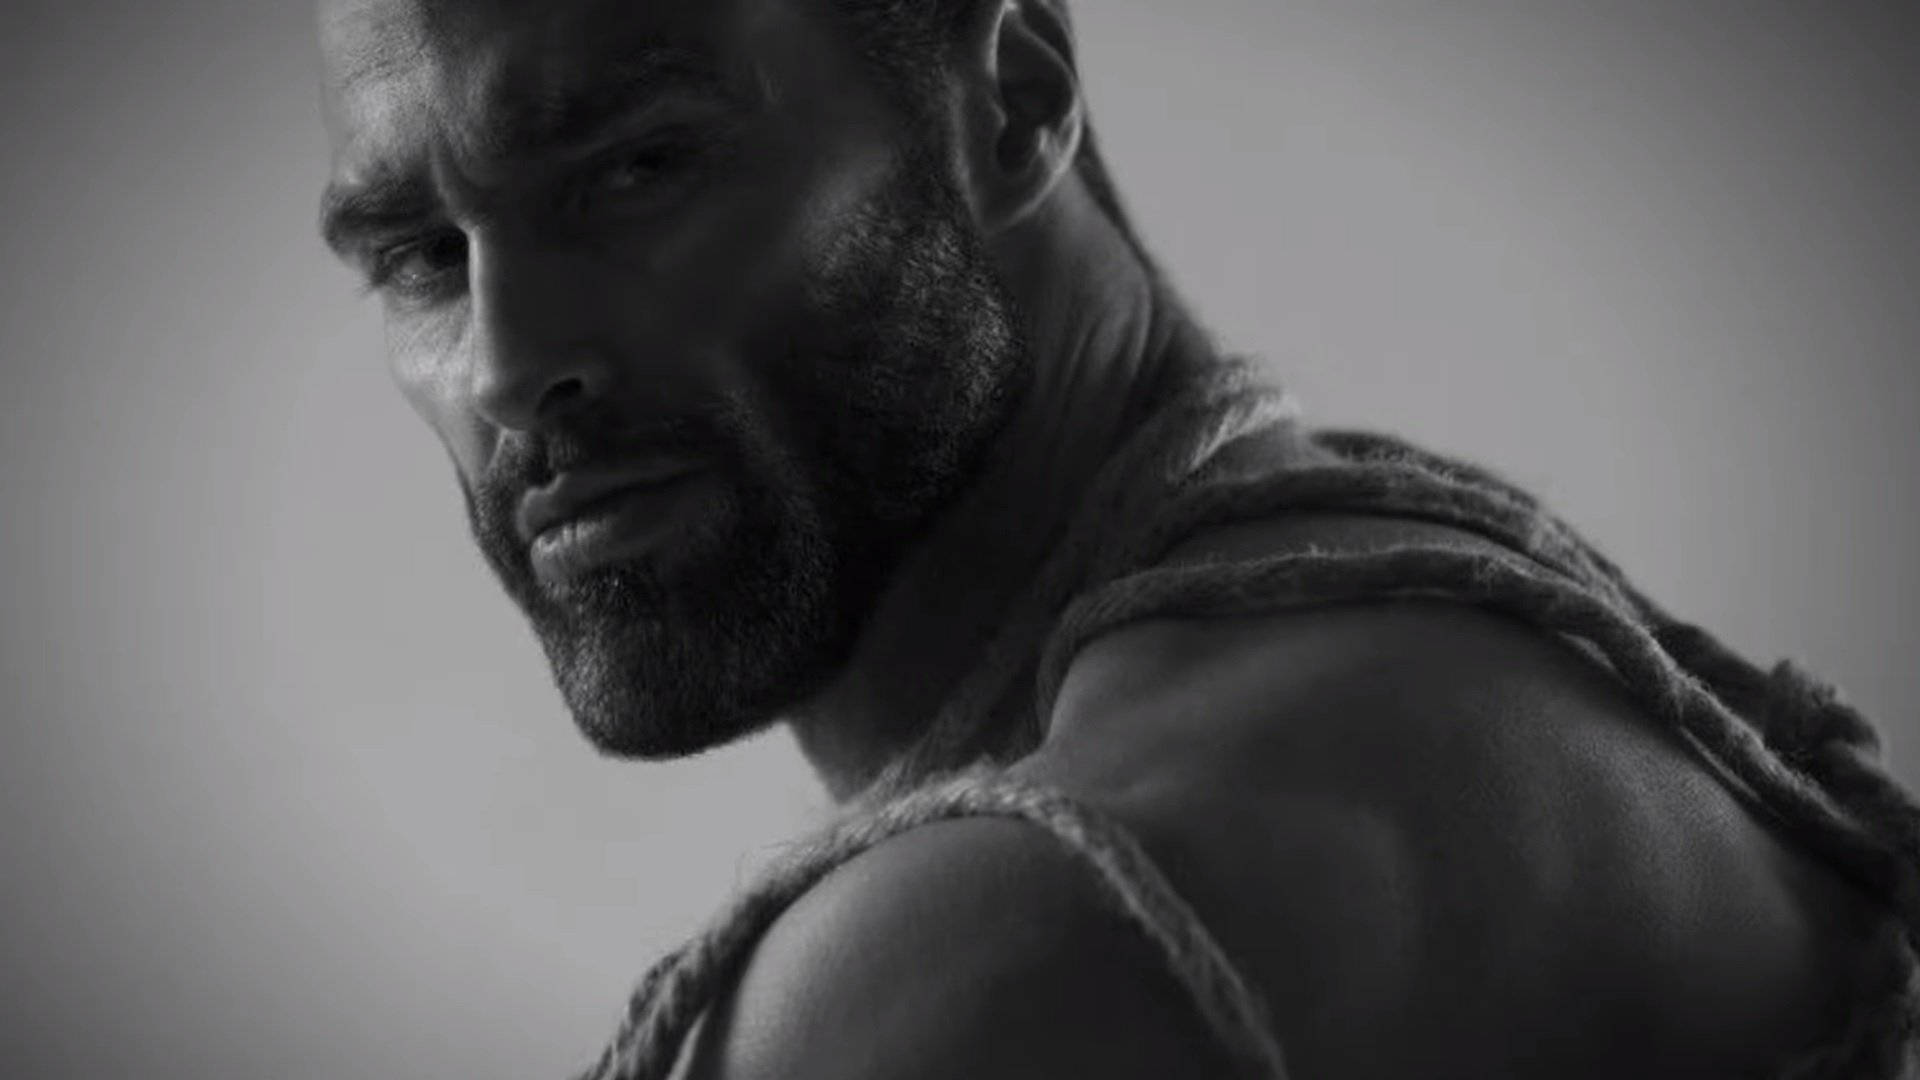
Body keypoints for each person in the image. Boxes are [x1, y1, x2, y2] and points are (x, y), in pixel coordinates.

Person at [316, 0, 1919, 1076]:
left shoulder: (1004, 951)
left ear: (1011, 105)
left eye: (639, 166)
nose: (509, 366)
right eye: (419, 254)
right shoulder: (1488, 639)